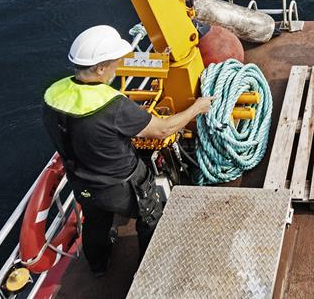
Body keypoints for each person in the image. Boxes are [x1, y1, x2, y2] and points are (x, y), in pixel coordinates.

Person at [41, 25, 214, 277]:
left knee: (96, 222)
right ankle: (149, 272)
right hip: (122, 186)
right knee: (151, 215)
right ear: (100, 68)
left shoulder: (52, 96)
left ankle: (98, 268)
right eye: (114, 63)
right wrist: (197, 107)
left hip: (82, 182)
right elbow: (164, 130)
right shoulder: (115, 108)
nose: (118, 67)